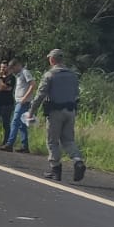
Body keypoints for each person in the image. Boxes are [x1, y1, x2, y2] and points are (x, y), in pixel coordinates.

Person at [27, 48, 85, 182]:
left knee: (52, 141)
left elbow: (40, 95)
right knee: (68, 140)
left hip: (55, 112)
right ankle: (78, 161)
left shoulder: (50, 75)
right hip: (70, 111)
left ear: (52, 60)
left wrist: (32, 111)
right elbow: (76, 94)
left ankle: (55, 169)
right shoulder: (72, 75)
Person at [0, 59, 34, 153]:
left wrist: (25, 97)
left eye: (13, 68)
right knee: (22, 124)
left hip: (23, 102)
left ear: (17, 65)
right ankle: (25, 146)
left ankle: (9, 144)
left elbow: (32, 84)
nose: (13, 71)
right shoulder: (18, 75)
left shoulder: (25, 72)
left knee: (15, 121)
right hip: (19, 101)